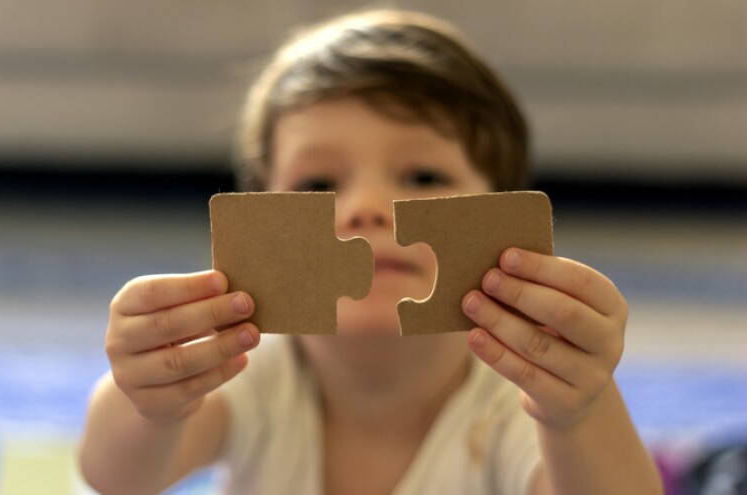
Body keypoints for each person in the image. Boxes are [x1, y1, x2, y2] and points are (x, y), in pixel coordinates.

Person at [78, 8, 663, 495]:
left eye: (424, 176)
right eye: (317, 185)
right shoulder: (250, 367)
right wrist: (151, 401)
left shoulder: (517, 400)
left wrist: (578, 411)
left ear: (503, 212)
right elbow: (115, 477)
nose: (368, 208)